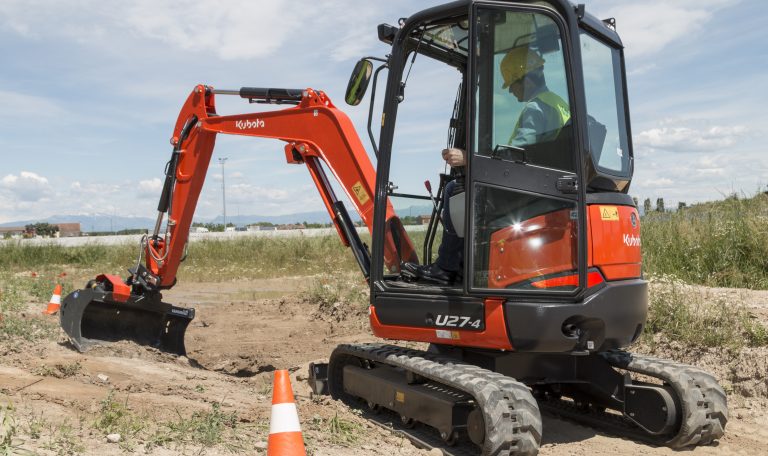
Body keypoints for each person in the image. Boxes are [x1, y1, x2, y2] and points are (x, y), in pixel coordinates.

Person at [403, 45, 570, 285]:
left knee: (455, 189)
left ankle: (447, 267)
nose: (510, 90)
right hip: (543, 187)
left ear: (526, 79)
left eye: (511, 84)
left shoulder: (536, 109)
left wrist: (467, 158)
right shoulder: (557, 104)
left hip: (527, 191)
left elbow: (516, 158)